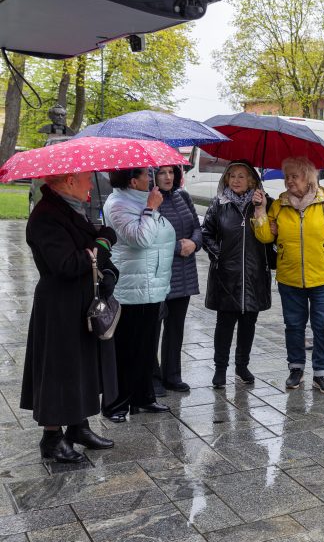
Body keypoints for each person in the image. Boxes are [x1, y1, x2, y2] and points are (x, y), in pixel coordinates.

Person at [21, 171, 117, 462]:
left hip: (80, 302)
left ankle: (78, 426)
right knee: (59, 369)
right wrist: (101, 245)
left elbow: (85, 246)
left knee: (81, 366)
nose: (90, 184)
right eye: (87, 179)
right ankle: (51, 438)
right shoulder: (46, 216)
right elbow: (66, 264)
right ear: (70, 180)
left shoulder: (71, 208)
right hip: (59, 307)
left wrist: (99, 236)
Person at [253, 156, 324, 393]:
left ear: (308, 178)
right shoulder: (278, 204)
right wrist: (260, 210)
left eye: (294, 177)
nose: (289, 181)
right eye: (287, 176)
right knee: (294, 325)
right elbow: (265, 237)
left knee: (321, 325)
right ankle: (295, 368)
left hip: (323, 278)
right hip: (290, 277)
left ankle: (321, 372)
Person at [102, 167, 176, 421]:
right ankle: (116, 405)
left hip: (151, 286)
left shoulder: (140, 199)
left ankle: (143, 397)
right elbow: (140, 239)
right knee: (127, 350)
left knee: (145, 349)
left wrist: (150, 207)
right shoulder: (117, 204)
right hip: (131, 290)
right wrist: (151, 208)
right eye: (146, 175)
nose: (151, 178)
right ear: (133, 181)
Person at [203, 161, 272, 389]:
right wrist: (218, 254)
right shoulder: (219, 204)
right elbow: (206, 233)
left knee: (248, 323)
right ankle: (220, 369)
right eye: (231, 176)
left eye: (241, 176)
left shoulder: (264, 202)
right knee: (224, 324)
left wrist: (261, 208)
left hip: (253, 274)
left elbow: (273, 234)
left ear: (252, 180)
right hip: (227, 275)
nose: (235, 180)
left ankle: (242, 366)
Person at [152, 165, 202, 395]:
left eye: (171, 172)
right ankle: (153, 377)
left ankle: (172, 375)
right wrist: (175, 247)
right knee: (152, 329)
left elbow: (197, 228)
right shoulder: (149, 200)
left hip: (184, 273)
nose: (168, 177)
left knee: (175, 328)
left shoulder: (183, 196)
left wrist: (193, 243)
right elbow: (147, 236)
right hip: (158, 273)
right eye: (162, 172)